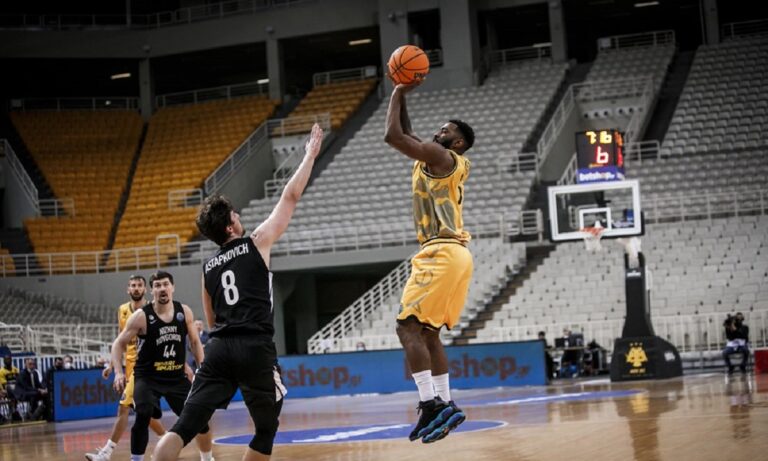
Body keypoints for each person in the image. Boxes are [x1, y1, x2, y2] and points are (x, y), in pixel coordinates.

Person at [153, 123, 324, 461]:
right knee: (265, 429)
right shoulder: (256, 242)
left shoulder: (207, 269)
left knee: (184, 427)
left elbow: (211, 320)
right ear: (231, 226)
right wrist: (309, 155)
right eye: (235, 214)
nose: (239, 216)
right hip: (255, 347)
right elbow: (290, 196)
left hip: (219, 348)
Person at [384, 80, 474, 443]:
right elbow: (407, 133)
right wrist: (403, 92)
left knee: (406, 328)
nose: (438, 132)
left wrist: (394, 92)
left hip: (441, 251)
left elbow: (393, 136)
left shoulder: (441, 157)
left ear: (458, 143)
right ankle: (446, 402)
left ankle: (429, 403)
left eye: (446, 131)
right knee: (429, 333)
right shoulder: (438, 158)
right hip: (457, 254)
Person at [110, 271, 213, 461]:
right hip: (148, 378)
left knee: (200, 419)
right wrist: (118, 372)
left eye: (166, 284)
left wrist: (202, 369)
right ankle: (136, 459)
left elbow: (195, 342)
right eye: (157, 286)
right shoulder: (141, 316)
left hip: (176, 377)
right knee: (143, 413)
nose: (162, 288)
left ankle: (207, 458)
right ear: (152, 291)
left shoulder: (184, 312)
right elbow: (118, 344)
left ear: (172, 288)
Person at [86, 275, 166, 461]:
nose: (136, 288)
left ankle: (106, 453)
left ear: (145, 289)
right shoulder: (123, 310)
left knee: (123, 408)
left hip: (144, 368)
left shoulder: (152, 309)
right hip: (129, 367)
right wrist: (112, 365)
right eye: (133, 285)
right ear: (128, 289)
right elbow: (120, 341)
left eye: (139, 285)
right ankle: (167, 439)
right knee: (143, 411)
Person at [0, 355, 21, 422]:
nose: (8, 361)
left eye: (9, 359)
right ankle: (14, 411)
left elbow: (19, 381)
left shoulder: (16, 370)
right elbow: (4, 384)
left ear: (11, 360)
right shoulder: (1, 371)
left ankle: (14, 411)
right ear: (4, 361)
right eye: (6, 360)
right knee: (10, 388)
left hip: (16, 389)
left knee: (16, 389)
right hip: (6, 390)